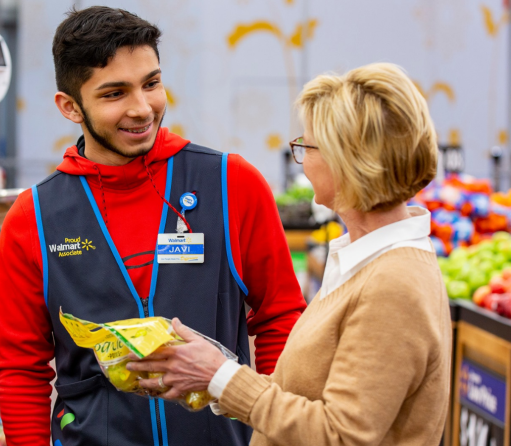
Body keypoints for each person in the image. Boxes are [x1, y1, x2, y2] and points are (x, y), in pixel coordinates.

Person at [0, 6, 307, 446]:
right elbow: (20, 368)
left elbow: (280, 319)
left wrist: (277, 433)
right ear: (70, 107)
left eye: (151, 84)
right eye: (114, 93)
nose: (142, 109)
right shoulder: (35, 219)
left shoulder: (231, 184)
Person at [129, 63, 451, 445]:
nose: (302, 160)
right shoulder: (369, 261)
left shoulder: (391, 285)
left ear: (348, 161)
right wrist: (213, 375)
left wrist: (221, 375)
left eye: (307, 145)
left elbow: (341, 435)